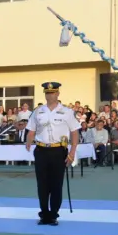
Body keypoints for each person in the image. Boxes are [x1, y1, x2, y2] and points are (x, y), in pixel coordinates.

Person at [24, 81, 79, 226]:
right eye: (48, 93)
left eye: (53, 92)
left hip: (58, 151)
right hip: (41, 150)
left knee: (56, 184)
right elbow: (31, 130)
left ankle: (54, 214)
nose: (50, 95)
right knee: (42, 184)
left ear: (58, 93)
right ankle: (44, 214)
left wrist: (72, 152)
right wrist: (28, 141)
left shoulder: (67, 112)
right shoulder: (38, 111)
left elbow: (74, 132)